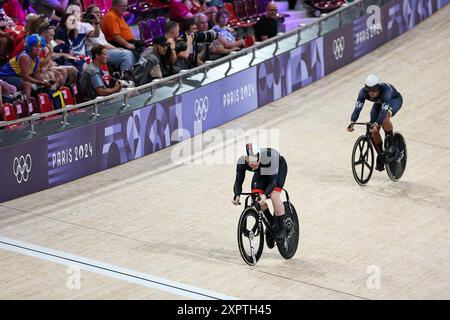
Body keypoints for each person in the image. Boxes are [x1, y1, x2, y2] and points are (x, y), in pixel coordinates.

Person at [232, 143, 288, 245]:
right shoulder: (242, 162)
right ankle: (272, 222)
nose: (253, 164)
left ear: (259, 156)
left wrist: (265, 195)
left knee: (274, 195)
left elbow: (272, 182)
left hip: (278, 166)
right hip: (262, 170)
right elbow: (238, 181)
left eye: (255, 160)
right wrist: (237, 195)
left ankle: (281, 229)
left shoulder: (267, 158)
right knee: (256, 199)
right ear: (245, 159)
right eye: (250, 162)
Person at [347, 74, 403, 171]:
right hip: (378, 103)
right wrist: (352, 121)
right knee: (373, 130)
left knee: (384, 118)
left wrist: (377, 124)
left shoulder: (386, 91)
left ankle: (391, 143)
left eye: (374, 90)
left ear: (379, 88)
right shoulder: (363, 92)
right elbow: (357, 109)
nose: (371, 93)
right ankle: (381, 155)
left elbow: (383, 111)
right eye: (369, 90)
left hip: (393, 100)